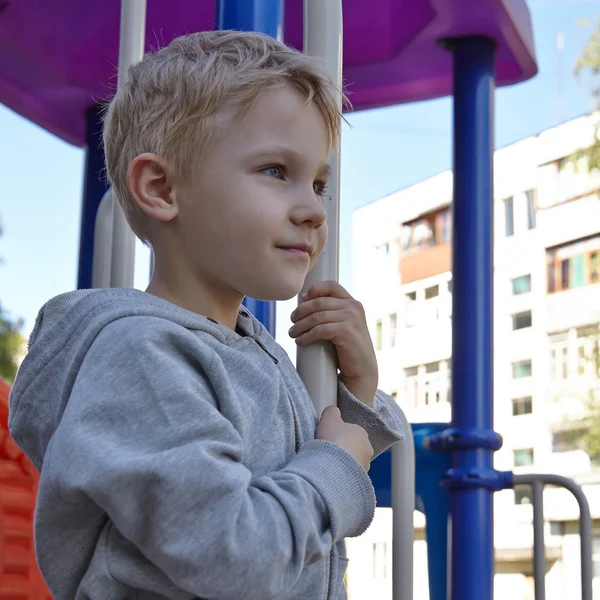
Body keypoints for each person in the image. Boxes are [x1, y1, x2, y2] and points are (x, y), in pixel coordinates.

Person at [9, 30, 404, 600]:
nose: (315, 210)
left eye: (319, 183)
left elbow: (305, 483)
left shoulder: (252, 348)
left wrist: (359, 398)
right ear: (162, 188)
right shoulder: (139, 357)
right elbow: (235, 557)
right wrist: (339, 463)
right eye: (275, 170)